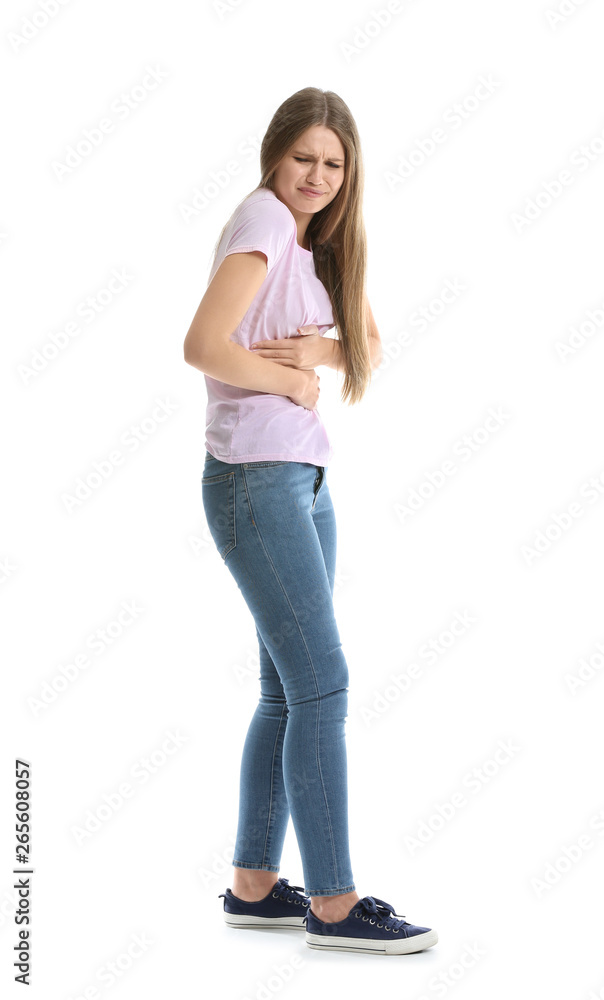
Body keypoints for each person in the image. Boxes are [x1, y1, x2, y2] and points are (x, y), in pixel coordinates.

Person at [183, 87, 438, 956]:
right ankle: (333, 903)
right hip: (258, 479)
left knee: (285, 690)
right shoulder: (262, 220)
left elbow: (362, 337)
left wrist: (321, 352)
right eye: (305, 159)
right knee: (321, 686)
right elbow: (202, 344)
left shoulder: (306, 239)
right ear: (274, 155)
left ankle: (255, 885)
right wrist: (291, 381)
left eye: (334, 164)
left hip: (299, 480)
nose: (318, 176)